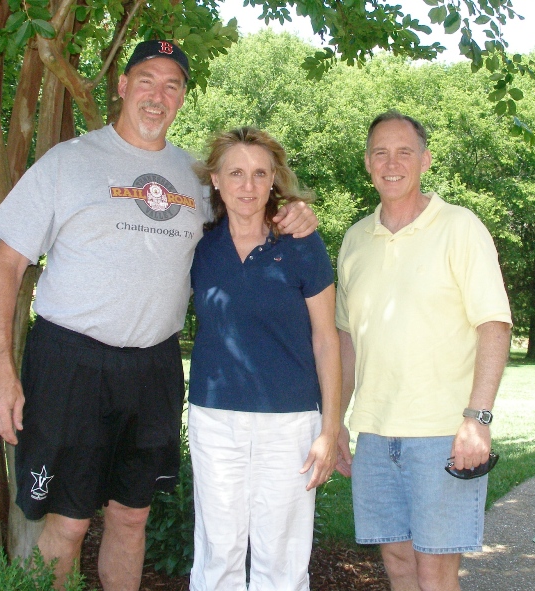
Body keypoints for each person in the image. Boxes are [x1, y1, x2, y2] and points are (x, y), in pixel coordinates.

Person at [0, 41, 317, 590]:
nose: (157, 95)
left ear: (182, 98)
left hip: (153, 368)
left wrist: (296, 211)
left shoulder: (195, 177)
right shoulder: (69, 161)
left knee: (131, 516)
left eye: (172, 85)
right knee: (67, 522)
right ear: (122, 86)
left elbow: (252, 208)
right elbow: (4, 265)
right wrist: (0, 366)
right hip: (71, 362)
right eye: (146, 80)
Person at [334, 111, 512, 591]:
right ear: (367, 162)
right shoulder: (355, 239)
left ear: (425, 160)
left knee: (435, 574)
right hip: (374, 435)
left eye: (404, 152)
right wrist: (337, 421)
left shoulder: (460, 226)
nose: (391, 163)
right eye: (380, 153)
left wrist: (478, 419)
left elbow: (494, 325)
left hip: (442, 434)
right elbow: (347, 339)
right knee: (398, 564)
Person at [187, 127, 341, 591]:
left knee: (283, 558)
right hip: (214, 419)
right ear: (216, 180)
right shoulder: (198, 246)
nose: (248, 185)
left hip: (289, 422)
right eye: (235, 173)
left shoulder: (300, 242)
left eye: (259, 173)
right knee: (218, 553)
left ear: (274, 179)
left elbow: (326, 339)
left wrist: (330, 430)